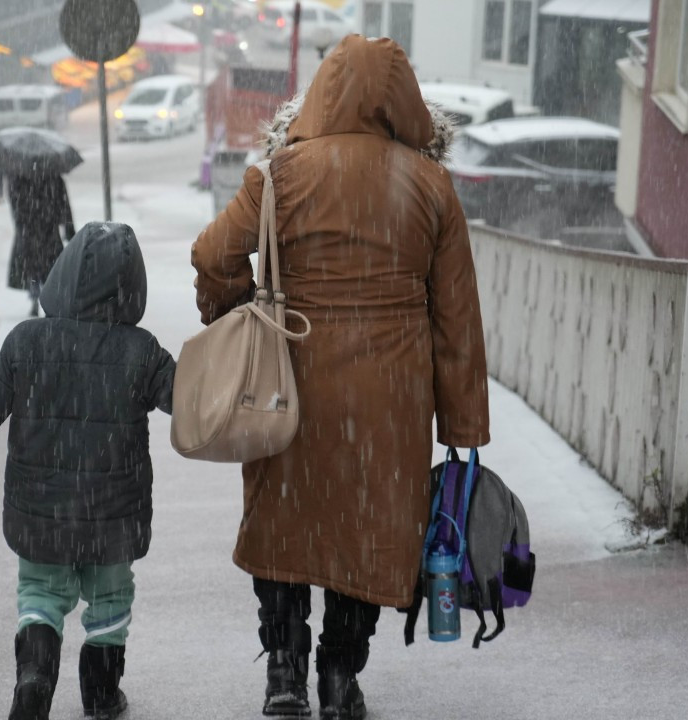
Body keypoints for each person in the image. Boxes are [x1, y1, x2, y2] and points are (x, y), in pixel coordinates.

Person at [191, 36, 490, 720]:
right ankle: (339, 674)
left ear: (321, 94)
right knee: (368, 530)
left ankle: (285, 674)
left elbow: (212, 256)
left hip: (291, 387)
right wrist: (463, 427)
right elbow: (457, 320)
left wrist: (235, 307)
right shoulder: (431, 186)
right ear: (407, 104)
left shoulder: (280, 174)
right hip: (392, 400)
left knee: (286, 528)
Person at [0, 222, 176, 720]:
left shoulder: (28, 342)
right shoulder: (143, 351)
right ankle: (101, 693)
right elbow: (195, 405)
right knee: (110, 597)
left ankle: (33, 681)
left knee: (40, 594)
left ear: (62, 275)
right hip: (113, 516)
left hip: (41, 511)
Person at [2, 171, 75, 317]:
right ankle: (49, 300)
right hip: (49, 230)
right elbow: (64, 204)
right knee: (51, 268)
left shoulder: (18, 177)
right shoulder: (54, 177)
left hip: (29, 231)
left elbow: (15, 204)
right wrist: (68, 229)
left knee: (33, 267)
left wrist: (22, 222)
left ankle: (35, 298)